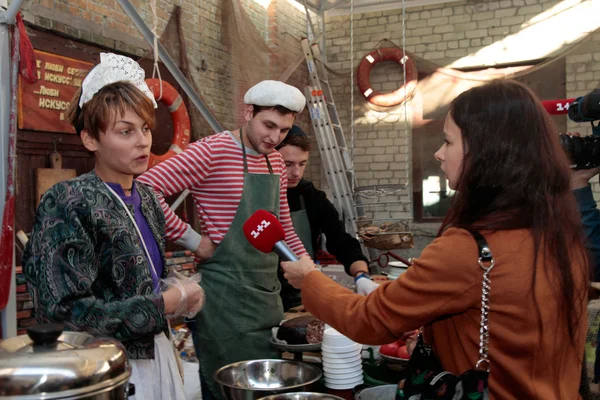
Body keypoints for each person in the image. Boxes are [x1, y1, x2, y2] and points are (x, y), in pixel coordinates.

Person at [281, 80, 590, 399]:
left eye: (447, 141)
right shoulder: (558, 233)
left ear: (485, 151)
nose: (438, 154)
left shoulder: (470, 247)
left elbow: (368, 320)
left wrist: (310, 280)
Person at [23, 53, 205, 400]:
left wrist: (180, 296)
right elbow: (62, 312)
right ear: (91, 139)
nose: (143, 141)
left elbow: (146, 281)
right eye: (126, 131)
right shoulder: (68, 201)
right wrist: (163, 304)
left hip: (159, 355)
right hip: (103, 369)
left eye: (145, 128)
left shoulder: (149, 198)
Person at [137, 80, 309, 399]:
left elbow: (281, 223)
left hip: (265, 300)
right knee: (227, 392)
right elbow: (145, 189)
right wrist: (193, 240)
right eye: (268, 125)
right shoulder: (214, 149)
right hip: (223, 304)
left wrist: (305, 263)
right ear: (248, 113)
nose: (274, 138)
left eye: (284, 130)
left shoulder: (275, 162)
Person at [275, 125, 375, 310]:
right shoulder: (258, 195)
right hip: (262, 298)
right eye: (287, 164)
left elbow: (341, 241)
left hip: (301, 298)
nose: (296, 172)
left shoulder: (312, 197)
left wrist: (361, 275)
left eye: (302, 164)